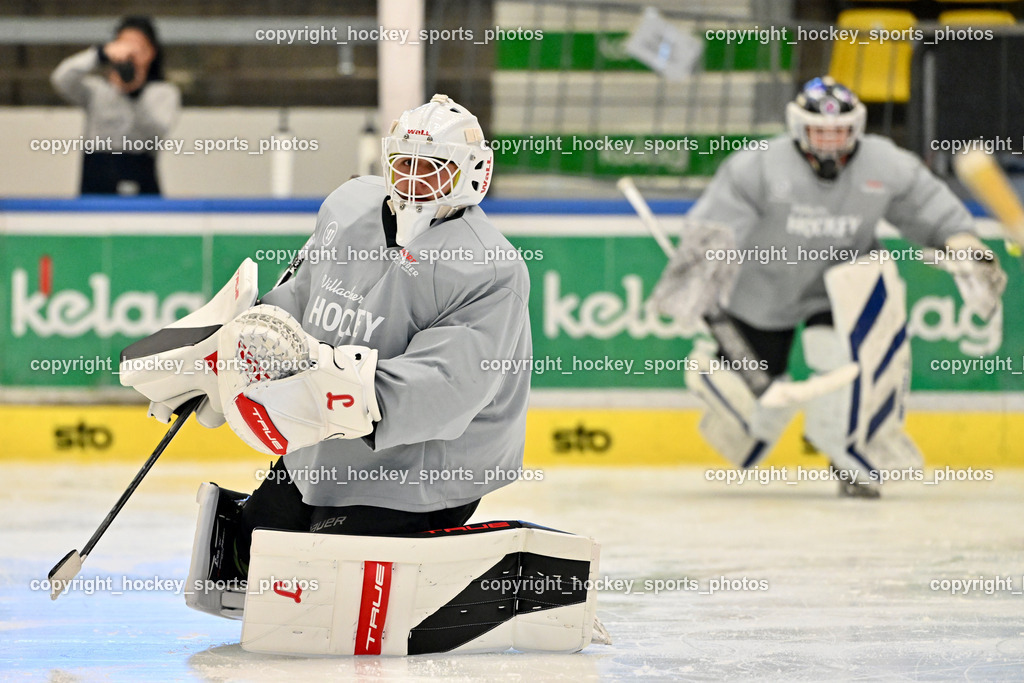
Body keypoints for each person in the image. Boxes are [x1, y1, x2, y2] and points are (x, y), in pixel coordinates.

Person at [120, 94, 531, 605]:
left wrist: (320, 387)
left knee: (321, 578)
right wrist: (228, 364)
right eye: (405, 165)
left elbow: (445, 389)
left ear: (472, 174)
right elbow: (297, 298)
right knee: (250, 557)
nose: (415, 181)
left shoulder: (490, 268)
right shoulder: (349, 205)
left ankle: (492, 577)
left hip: (423, 468)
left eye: (435, 169)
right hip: (322, 449)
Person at [655, 76, 1006, 498]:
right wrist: (695, 276)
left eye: (839, 131)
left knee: (856, 367)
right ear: (798, 128)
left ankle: (851, 456)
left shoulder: (885, 163)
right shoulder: (758, 165)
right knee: (745, 426)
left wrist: (965, 246)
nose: (829, 141)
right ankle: (740, 402)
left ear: (856, 129)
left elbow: (930, 209)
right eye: (819, 131)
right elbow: (715, 228)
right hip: (764, 291)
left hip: (840, 289)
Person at [51, 16, 180, 195]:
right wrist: (98, 55)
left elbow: (158, 130)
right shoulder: (97, 89)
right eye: (124, 46)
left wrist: (135, 94)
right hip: (97, 173)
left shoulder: (162, 92)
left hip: (140, 172)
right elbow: (61, 78)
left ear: (151, 52)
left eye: (137, 48)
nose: (130, 54)